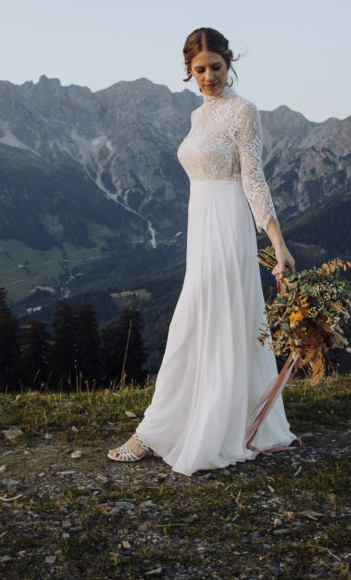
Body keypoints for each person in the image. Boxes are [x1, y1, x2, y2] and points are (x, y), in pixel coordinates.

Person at [107, 27, 297, 475]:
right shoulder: (197, 117)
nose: (208, 76)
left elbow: (253, 180)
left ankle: (156, 432)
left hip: (229, 227)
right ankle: (201, 418)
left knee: (196, 320)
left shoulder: (243, 112)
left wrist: (278, 243)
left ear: (229, 64)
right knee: (206, 320)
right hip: (202, 227)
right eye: (199, 69)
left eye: (216, 67)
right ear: (188, 71)